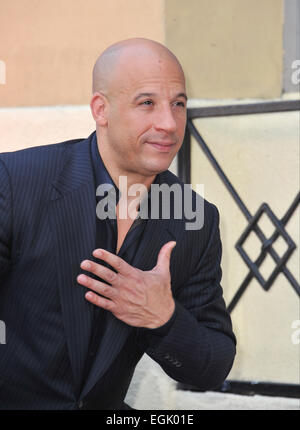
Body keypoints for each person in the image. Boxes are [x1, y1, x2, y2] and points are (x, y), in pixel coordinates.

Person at [0, 38, 236, 410]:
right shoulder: (16, 182)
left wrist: (163, 318)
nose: (169, 124)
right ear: (101, 109)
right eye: (147, 103)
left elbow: (213, 364)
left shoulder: (195, 219)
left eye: (178, 104)